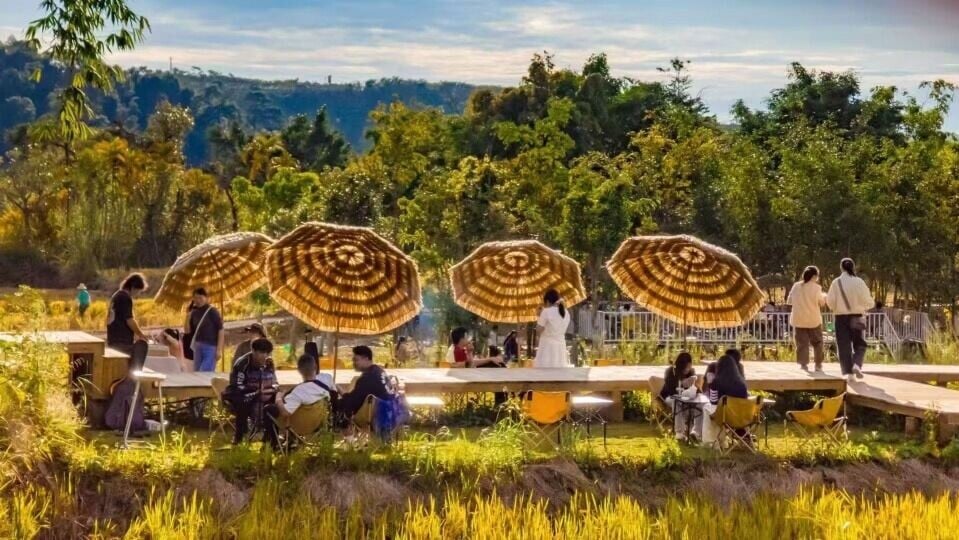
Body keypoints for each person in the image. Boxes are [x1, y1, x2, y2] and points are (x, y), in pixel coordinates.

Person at [826, 258, 874, 382]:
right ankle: (857, 365)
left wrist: (836, 307)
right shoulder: (859, 282)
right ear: (853, 267)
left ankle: (849, 374)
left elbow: (830, 302)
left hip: (841, 317)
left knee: (844, 345)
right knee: (860, 344)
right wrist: (863, 307)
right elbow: (869, 302)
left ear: (841, 267)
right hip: (857, 316)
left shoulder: (836, 282)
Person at [224, 338, 278, 447]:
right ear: (253, 351)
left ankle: (271, 437)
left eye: (267, 353)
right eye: (261, 352)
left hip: (262, 393)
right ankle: (239, 436)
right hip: (240, 392)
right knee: (242, 401)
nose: (265, 356)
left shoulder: (269, 363)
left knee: (276, 403)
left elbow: (274, 381)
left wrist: (272, 389)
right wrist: (255, 391)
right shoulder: (242, 364)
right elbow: (237, 385)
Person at [787, 266, 827, 372]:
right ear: (814, 276)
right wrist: (824, 296)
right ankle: (818, 365)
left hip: (799, 319)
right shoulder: (816, 288)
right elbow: (821, 303)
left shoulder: (796, 286)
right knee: (817, 342)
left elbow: (789, 301)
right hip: (813, 319)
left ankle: (803, 364)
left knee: (802, 343)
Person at [338, 346, 396, 419]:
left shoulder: (368, 378)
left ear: (366, 358)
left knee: (339, 406)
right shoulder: (378, 371)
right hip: (389, 411)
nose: (354, 363)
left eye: (356, 360)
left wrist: (338, 390)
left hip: (378, 417)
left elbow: (352, 403)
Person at [702, 354, 749, 444]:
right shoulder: (742, 384)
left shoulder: (716, 382)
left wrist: (710, 384)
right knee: (715, 410)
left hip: (724, 416)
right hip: (741, 417)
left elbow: (713, 401)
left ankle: (710, 440)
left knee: (707, 408)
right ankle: (721, 440)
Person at [106, 273, 149, 369]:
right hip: (122, 340)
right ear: (133, 287)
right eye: (138, 291)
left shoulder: (117, 295)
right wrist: (141, 334)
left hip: (114, 338)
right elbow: (129, 320)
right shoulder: (125, 298)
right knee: (129, 369)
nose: (137, 294)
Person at [276, 354, 337, 418]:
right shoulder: (327, 377)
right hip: (323, 421)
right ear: (315, 367)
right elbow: (334, 394)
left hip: (303, 425)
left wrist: (278, 399)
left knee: (270, 409)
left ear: (299, 370)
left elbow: (285, 413)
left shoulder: (298, 392)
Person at [660, 352, 699, 441]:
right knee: (677, 402)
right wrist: (682, 383)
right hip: (670, 396)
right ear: (681, 365)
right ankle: (679, 433)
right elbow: (671, 390)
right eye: (686, 367)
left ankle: (694, 432)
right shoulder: (671, 371)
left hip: (686, 399)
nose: (688, 369)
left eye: (690, 366)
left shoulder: (691, 372)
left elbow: (694, 388)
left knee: (696, 405)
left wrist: (692, 383)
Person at [184, 288, 224, 372]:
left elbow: (220, 330)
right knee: (197, 371)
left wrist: (219, 350)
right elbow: (187, 331)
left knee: (205, 371)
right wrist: (187, 317)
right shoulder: (194, 312)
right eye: (196, 298)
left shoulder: (212, 311)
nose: (198, 300)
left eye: (200, 298)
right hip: (197, 346)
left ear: (206, 298)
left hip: (210, 346)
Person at [534, 289, 571, 368]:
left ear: (547, 301)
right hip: (561, 346)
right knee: (559, 372)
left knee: (545, 374)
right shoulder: (566, 312)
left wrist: (539, 316)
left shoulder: (546, 312)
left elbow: (539, 330)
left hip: (547, 347)